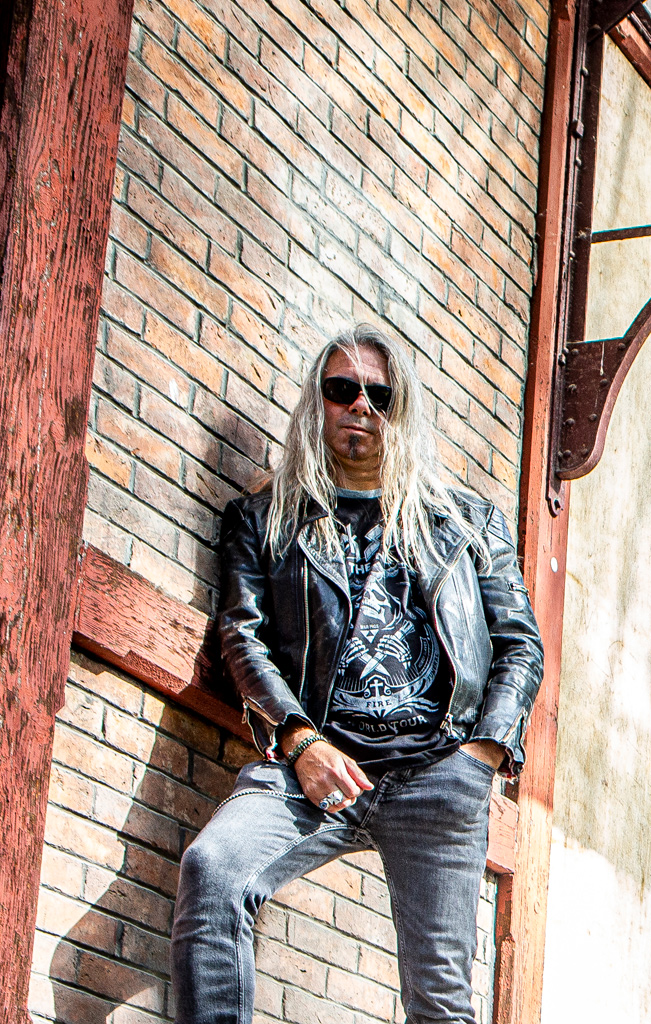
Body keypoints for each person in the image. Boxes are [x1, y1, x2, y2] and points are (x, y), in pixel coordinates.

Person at [172, 326, 543, 1024]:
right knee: (214, 868)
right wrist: (299, 740)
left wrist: (482, 755)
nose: (361, 406)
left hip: (439, 772)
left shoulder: (468, 522)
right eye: (342, 390)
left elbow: (519, 644)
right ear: (318, 403)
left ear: (402, 409)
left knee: (440, 1002)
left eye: (380, 394)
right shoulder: (264, 520)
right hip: (316, 767)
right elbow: (241, 636)